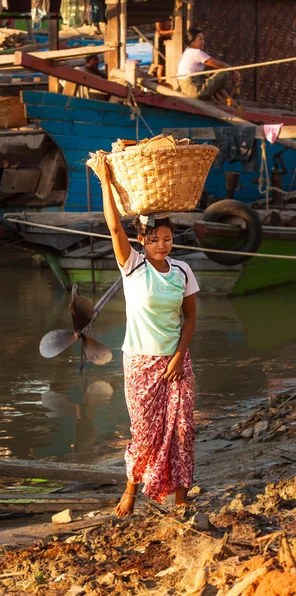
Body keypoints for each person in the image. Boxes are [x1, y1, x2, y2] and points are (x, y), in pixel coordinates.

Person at [91, 155, 200, 516]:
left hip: (176, 362)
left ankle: (182, 500)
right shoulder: (133, 266)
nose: (162, 246)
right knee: (145, 433)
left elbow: (190, 319)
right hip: (140, 362)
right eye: (154, 240)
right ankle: (131, 492)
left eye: (167, 239)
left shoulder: (183, 270)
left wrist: (179, 358)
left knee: (183, 431)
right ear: (142, 241)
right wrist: (106, 182)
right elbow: (113, 228)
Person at [177, 27, 240, 106]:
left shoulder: (187, 52)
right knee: (224, 72)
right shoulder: (196, 53)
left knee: (211, 73)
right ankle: (226, 99)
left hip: (187, 89)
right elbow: (219, 64)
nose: (203, 42)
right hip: (195, 90)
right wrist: (234, 70)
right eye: (200, 39)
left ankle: (227, 98)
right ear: (192, 41)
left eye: (203, 39)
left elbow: (212, 68)